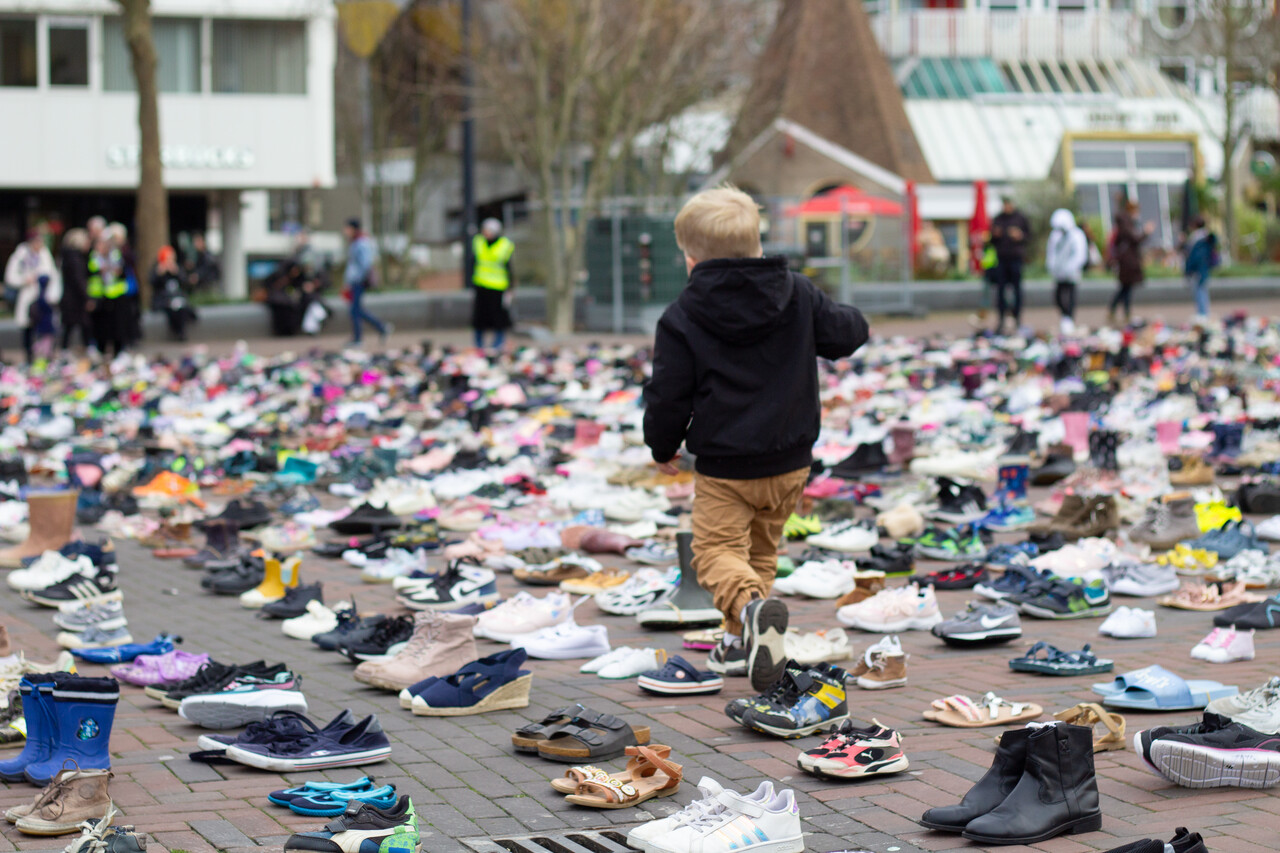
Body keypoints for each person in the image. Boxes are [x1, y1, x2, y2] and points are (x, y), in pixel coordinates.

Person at [642, 186, 869, 691]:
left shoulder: (682, 315)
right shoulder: (797, 292)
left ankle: (747, 612)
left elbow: (668, 394)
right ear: (756, 244)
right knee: (761, 553)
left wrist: (662, 446)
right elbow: (846, 333)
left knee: (715, 555)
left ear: (691, 255)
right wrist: (850, 317)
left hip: (727, 466)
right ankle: (744, 637)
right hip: (790, 459)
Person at [5, 229, 62, 362]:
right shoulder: (21, 255)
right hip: (27, 297)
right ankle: (29, 357)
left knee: (45, 330)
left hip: (43, 298)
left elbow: (52, 274)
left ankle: (44, 357)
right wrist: (25, 279)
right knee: (28, 329)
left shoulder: (44, 254)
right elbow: (11, 277)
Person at [342, 218, 389, 346]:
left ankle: (359, 338)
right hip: (355, 281)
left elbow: (364, 264)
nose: (345, 231)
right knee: (356, 310)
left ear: (353, 229)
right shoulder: (356, 242)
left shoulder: (361, 243)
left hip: (358, 281)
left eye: (347, 228)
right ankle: (381, 327)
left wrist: (356, 279)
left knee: (355, 310)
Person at [470, 218, 515, 350]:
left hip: (498, 286)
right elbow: (473, 262)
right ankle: (479, 344)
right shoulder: (478, 242)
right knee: (480, 317)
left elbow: (508, 267)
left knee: (498, 317)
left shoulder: (504, 245)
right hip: (481, 284)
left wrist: (510, 287)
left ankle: (498, 343)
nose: (485, 233)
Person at [989, 196, 1031, 335]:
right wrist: (995, 235)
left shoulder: (1020, 218)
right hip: (1001, 259)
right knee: (1000, 290)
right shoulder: (998, 219)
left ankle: (1017, 318)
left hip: (1016, 259)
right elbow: (990, 240)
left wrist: (1020, 236)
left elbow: (1029, 237)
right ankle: (1001, 318)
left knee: (1017, 289)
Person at [1109, 200, 1153, 325]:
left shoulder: (1124, 224)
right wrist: (1146, 232)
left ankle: (1119, 310)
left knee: (1125, 288)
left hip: (1127, 262)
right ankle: (1124, 312)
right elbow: (1135, 239)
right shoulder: (1126, 224)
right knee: (1125, 288)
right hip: (1128, 262)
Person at [1045, 209, 1088, 335]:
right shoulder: (1055, 235)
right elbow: (1052, 252)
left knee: (1070, 296)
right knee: (1058, 297)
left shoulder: (1076, 235)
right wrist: (1052, 266)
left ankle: (1069, 318)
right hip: (1059, 273)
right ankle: (1065, 316)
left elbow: (1080, 254)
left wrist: (1071, 267)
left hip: (1071, 273)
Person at [87, 235, 128, 358]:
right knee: (100, 326)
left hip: (116, 295)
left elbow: (123, 272)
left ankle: (118, 350)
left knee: (117, 325)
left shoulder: (116, 256)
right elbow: (90, 273)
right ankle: (101, 349)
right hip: (99, 297)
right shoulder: (93, 258)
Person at [150, 246, 194, 341]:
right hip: (164, 300)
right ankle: (176, 331)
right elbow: (152, 283)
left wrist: (177, 272)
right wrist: (159, 273)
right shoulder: (157, 268)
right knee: (172, 310)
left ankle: (181, 333)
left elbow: (185, 282)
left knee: (181, 309)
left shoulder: (177, 268)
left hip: (177, 298)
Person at [58, 228, 92, 350]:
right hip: (74, 299)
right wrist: (87, 296)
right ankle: (87, 348)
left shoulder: (67, 257)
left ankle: (65, 349)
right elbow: (79, 280)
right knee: (80, 325)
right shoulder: (75, 259)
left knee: (70, 326)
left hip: (70, 298)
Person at [1181, 215, 1219, 320]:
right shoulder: (1206, 236)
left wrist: (1188, 270)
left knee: (1199, 292)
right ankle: (1204, 314)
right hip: (1204, 268)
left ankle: (1203, 315)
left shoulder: (1196, 238)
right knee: (1202, 291)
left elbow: (1193, 256)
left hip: (1198, 269)